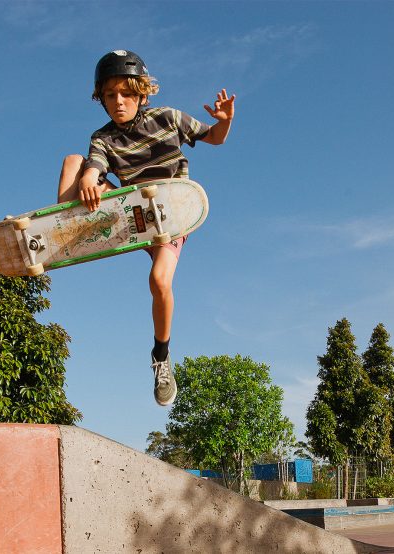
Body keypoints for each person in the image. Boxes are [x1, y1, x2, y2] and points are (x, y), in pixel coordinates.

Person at [56, 50, 235, 406]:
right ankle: (68, 224)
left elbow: (215, 138)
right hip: (132, 215)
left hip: (173, 216)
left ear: (142, 93)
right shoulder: (103, 137)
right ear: (101, 98)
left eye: (126, 94)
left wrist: (225, 120)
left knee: (159, 281)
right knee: (74, 161)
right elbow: (95, 163)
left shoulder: (168, 118)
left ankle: (161, 357)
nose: (118, 102)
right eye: (110, 96)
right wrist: (91, 176)